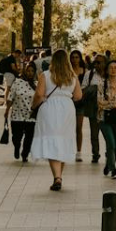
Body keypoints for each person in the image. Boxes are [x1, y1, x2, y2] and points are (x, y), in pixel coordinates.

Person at [32, 48, 81, 191]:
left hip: (49, 108)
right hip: (67, 108)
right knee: (64, 139)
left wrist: (34, 106)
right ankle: (59, 176)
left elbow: (39, 95)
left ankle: (57, 177)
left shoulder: (45, 75)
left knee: (52, 140)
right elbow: (78, 96)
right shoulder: (73, 76)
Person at [4, 63, 36, 162]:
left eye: (32, 71)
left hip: (31, 115)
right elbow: (10, 97)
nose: (30, 73)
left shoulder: (37, 84)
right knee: (16, 137)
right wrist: (7, 110)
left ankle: (25, 153)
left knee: (29, 138)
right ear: (24, 71)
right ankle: (17, 147)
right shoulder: (17, 82)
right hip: (17, 115)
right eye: (28, 71)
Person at [75, 51, 102, 164]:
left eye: (100, 62)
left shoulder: (111, 73)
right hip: (94, 107)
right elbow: (83, 89)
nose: (97, 65)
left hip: (109, 108)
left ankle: (112, 152)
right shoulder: (89, 74)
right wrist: (93, 89)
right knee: (94, 133)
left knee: (109, 134)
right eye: (95, 62)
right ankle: (95, 154)